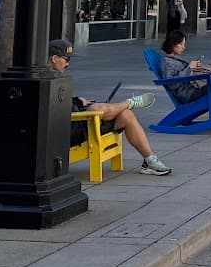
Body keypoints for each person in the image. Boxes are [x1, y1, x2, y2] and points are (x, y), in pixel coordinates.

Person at [52, 39, 172, 176]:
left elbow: (62, 102)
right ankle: (129, 102)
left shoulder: (57, 78)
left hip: (78, 121)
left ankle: (149, 161)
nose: (68, 63)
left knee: (126, 115)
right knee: (97, 109)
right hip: (69, 129)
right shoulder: (46, 80)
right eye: (66, 59)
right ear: (55, 58)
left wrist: (79, 101)